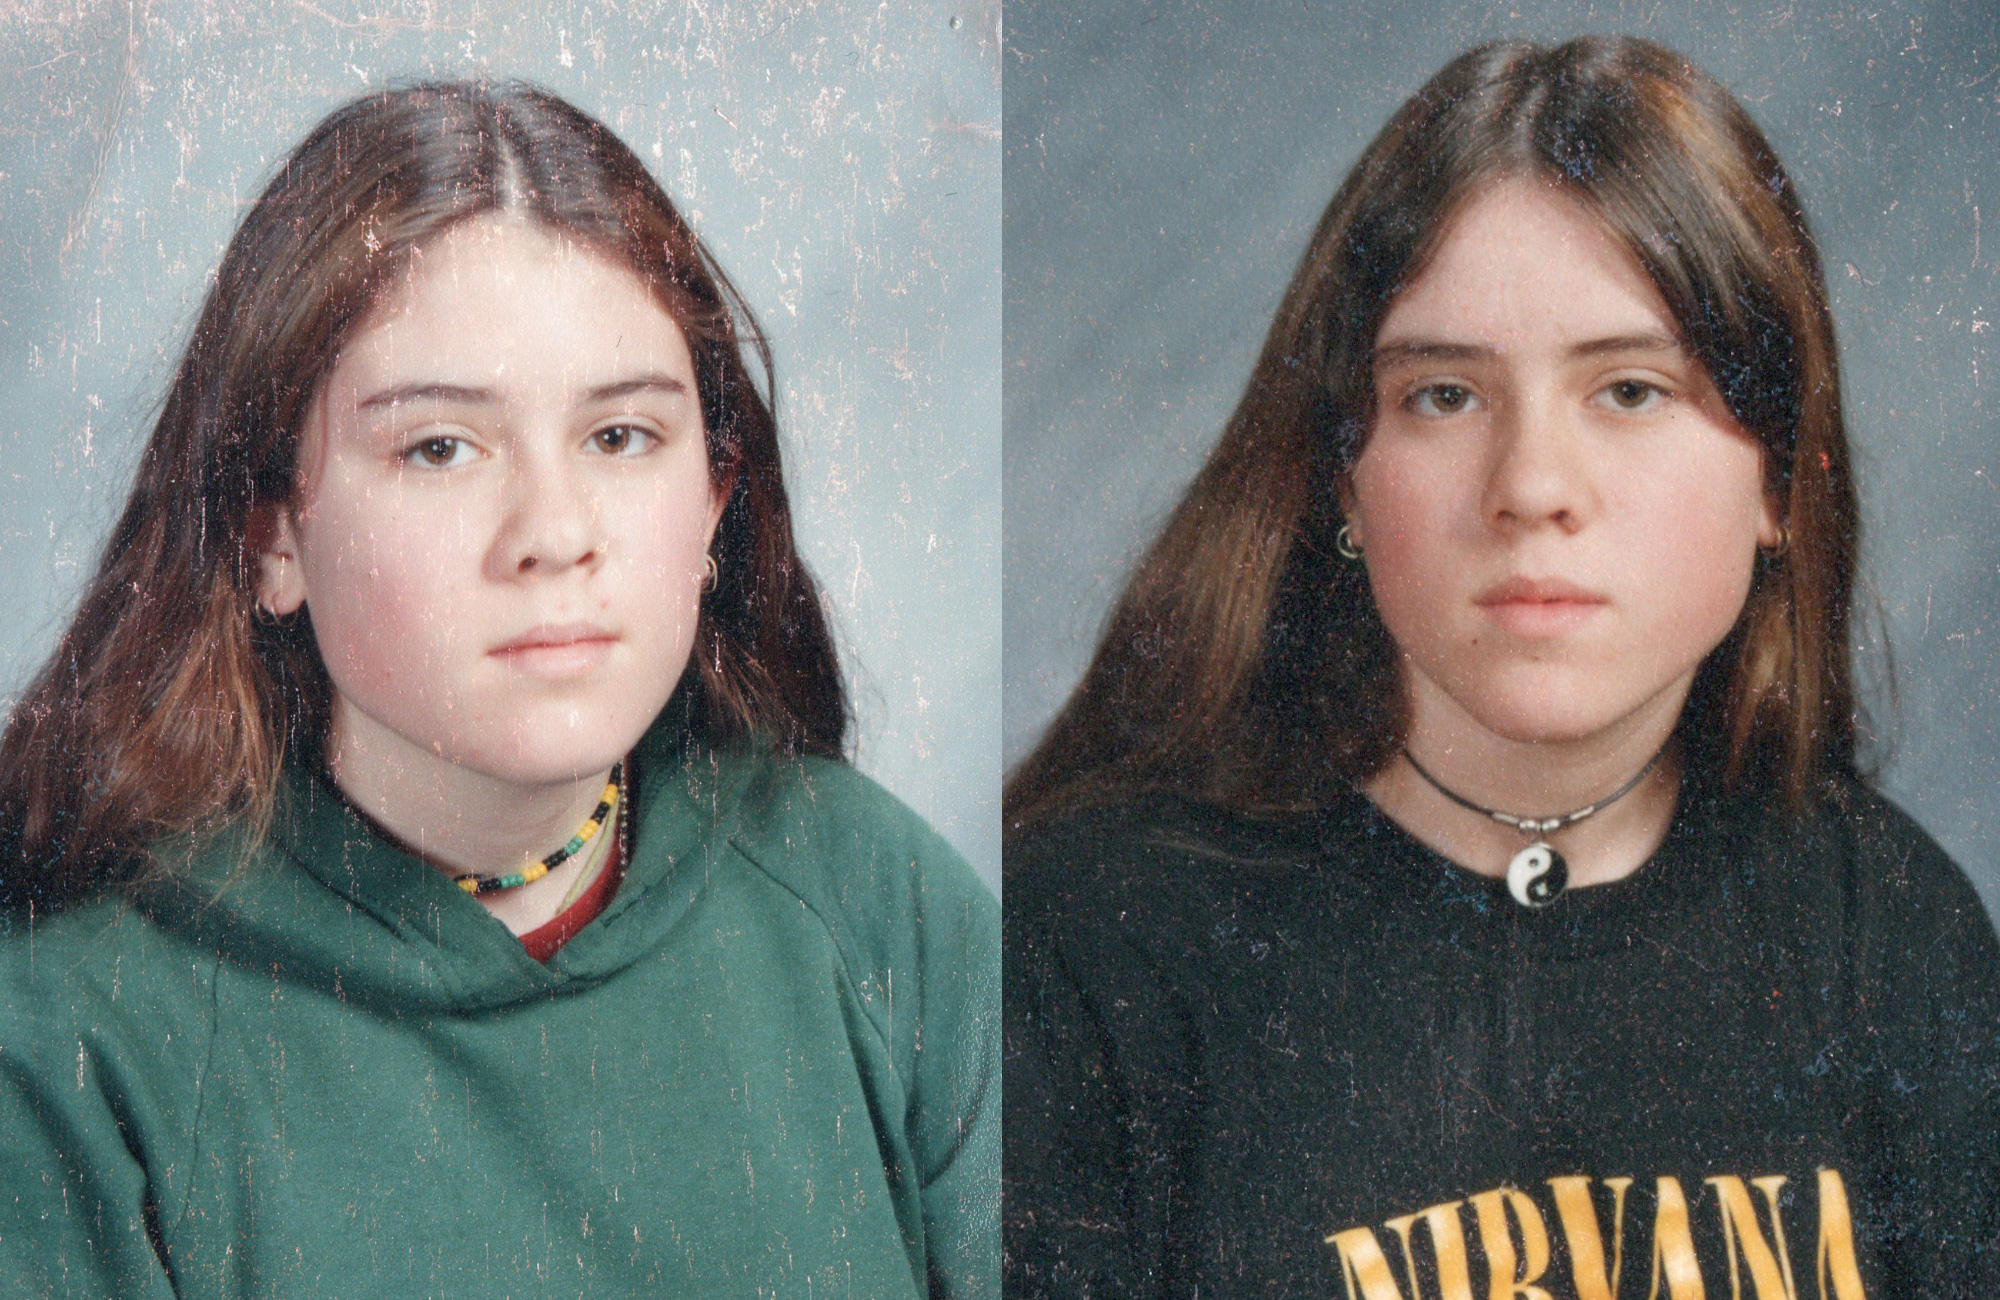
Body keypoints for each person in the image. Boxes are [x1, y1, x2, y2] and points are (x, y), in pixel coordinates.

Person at [1004, 36, 2000, 1299]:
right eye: (1442, 397)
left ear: (1780, 482)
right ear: (1342, 479)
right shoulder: (1084, 950)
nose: (1530, 487)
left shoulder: (1890, 936)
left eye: (1629, 390)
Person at [0, 81, 997, 1298]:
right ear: (268, 533)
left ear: (715, 503)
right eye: (438, 447)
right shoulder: (66, 1033)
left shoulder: (881, 907)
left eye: (621, 436)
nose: (553, 533)